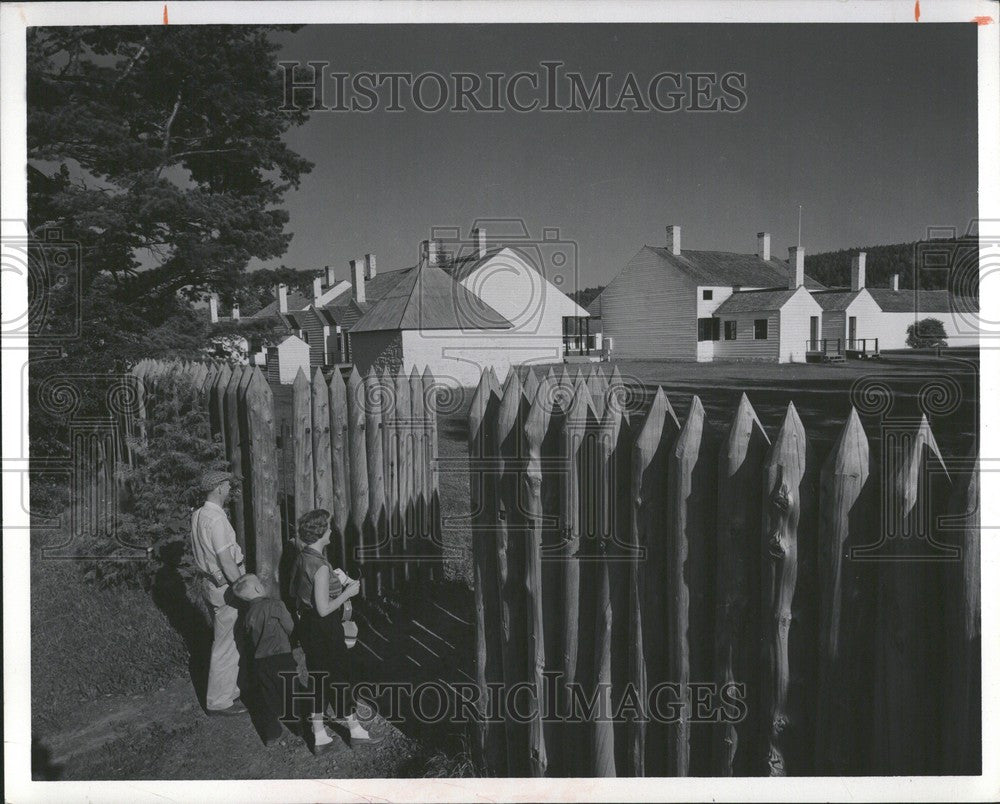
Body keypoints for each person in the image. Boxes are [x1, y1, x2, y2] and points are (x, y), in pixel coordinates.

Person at [290, 508, 378, 752]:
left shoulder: (302, 556)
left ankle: (318, 735)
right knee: (339, 676)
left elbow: (296, 594)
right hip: (323, 627)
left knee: (319, 677)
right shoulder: (319, 566)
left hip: (307, 626)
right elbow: (324, 609)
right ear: (320, 533)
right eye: (328, 527)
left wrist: (333, 580)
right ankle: (356, 730)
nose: (331, 530)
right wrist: (347, 592)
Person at [191, 469, 247, 716]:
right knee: (226, 642)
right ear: (218, 489)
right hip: (225, 584)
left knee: (229, 637)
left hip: (210, 582)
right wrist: (243, 588)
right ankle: (219, 701)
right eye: (226, 485)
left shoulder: (198, 515)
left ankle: (230, 690)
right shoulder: (216, 520)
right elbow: (225, 560)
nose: (229, 489)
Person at [232, 574, 298, 747]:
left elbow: (249, 639)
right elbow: (290, 626)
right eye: (260, 583)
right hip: (281, 657)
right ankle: (300, 726)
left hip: (261, 661)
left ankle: (271, 734)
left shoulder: (247, 616)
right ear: (258, 588)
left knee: (267, 696)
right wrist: (294, 639)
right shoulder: (275, 605)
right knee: (291, 690)